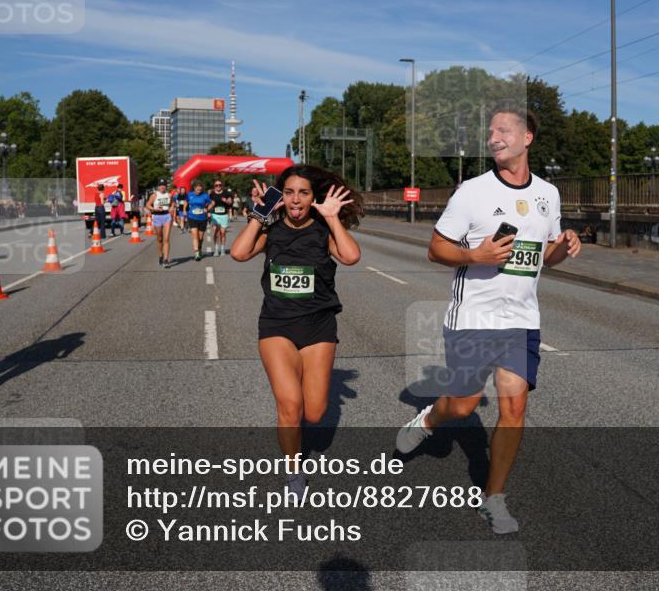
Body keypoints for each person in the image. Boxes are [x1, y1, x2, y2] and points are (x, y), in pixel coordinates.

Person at [395, 106, 581, 534]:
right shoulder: (472, 192)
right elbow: (436, 249)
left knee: (514, 406)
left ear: (527, 137)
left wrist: (565, 244)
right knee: (461, 405)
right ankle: (427, 420)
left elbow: (547, 254)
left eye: (503, 130)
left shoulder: (548, 194)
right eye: (490, 131)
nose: (493, 137)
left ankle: (493, 498)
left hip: (522, 319)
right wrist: (473, 256)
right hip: (474, 316)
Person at [230, 165, 362, 495]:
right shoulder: (270, 230)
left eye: (303, 193)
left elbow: (351, 256)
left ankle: (301, 419)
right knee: (290, 406)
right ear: (281, 196)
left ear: (314, 197)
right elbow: (238, 253)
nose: (295, 200)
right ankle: (293, 471)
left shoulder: (323, 230)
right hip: (277, 324)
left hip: (318, 325)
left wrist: (332, 218)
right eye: (288, 193)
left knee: (314, 412)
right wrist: (260, 214)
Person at [145, 179, 175, 268]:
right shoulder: (154, 195)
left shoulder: (169, 195)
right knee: (159, 238)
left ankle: (166, 260)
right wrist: (154, 209)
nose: (162, 187)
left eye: (164, 185)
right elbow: (148, 204)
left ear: (166, 186)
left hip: (166, 216)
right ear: (158, 186)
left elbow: (173, 203)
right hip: (157, 217)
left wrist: (172, 208)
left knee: (166, 239)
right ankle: (160, 256)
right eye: (161, 185)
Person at [186, 182, 212, 261]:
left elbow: (211, 203)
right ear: (194, 188)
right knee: (195, 236)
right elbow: (186, 202)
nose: (199, 191)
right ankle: (196, 253)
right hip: (192, 217)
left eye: (200, 190)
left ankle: (199, 248)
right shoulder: (190, 195)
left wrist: (207, 209)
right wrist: (184, 210)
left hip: (202, 218)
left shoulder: (205, 196)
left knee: (200, 237)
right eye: (197, 190)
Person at [208, 180, 233, 257]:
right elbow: (208, 203)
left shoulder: (226, 193)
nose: (218, 186)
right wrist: (208, 210)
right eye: (216, 185)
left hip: (224, 215)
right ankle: (216, 249)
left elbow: (230, 202)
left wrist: (226, 201)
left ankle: (222, 249)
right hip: (215, 215)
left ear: (221, 186)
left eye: (219, 185)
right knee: (216, 232)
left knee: (222, 233)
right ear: (214, 186)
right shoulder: (211, 194)